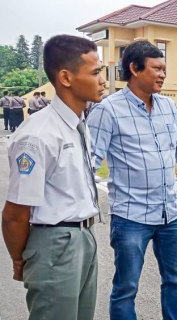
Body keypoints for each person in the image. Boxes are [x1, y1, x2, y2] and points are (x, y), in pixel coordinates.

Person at [87, 40, 177, 320]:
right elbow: (89, 164)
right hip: (131, 217)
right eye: (156, 68)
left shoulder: (168, 107)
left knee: (175, 282)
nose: (163, 75)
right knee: (126, 288)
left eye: (164, 68)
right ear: (134, 68)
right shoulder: (108, 110)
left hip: (172, 214)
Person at [1, 34, 105, 320]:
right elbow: (15, 213)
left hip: (85, 237)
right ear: (66, 78)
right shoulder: (38, 135)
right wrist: (22, 258)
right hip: (55, 245)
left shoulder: (77, 124)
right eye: (95, 72)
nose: (103, 80)